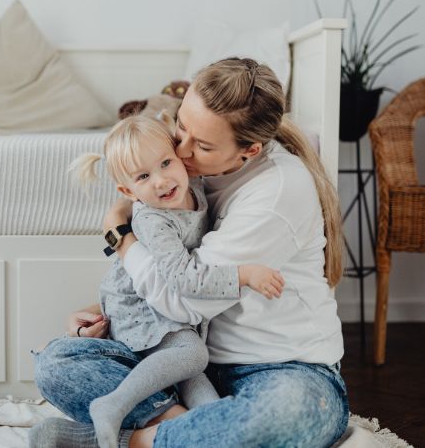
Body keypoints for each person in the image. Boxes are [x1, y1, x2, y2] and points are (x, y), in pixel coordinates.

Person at [30, 58, 349, 448]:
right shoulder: (190, 177)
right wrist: (106, 313)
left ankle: (128, 441)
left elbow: (183, 297)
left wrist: (121, 236)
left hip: (280, 368)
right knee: (57, 362)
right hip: (190, 364)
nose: (179, 151)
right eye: (182, 125)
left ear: (249, 150)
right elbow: (166, 266)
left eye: (202, 144)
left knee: (288, 412)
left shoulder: (274, 194)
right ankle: (195, 428)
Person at [50, 114, 284, 448]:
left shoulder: (191, 185)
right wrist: (244, 274)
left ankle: (69, 439)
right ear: (128, 191)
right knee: (194, 355)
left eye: (165, 163)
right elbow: (182, 278)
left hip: (167, 316)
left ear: (180, 159)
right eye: (144, 176)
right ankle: (113, 404)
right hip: (142, 313)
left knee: (212, 411)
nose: (161, 181)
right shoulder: (154, 221)